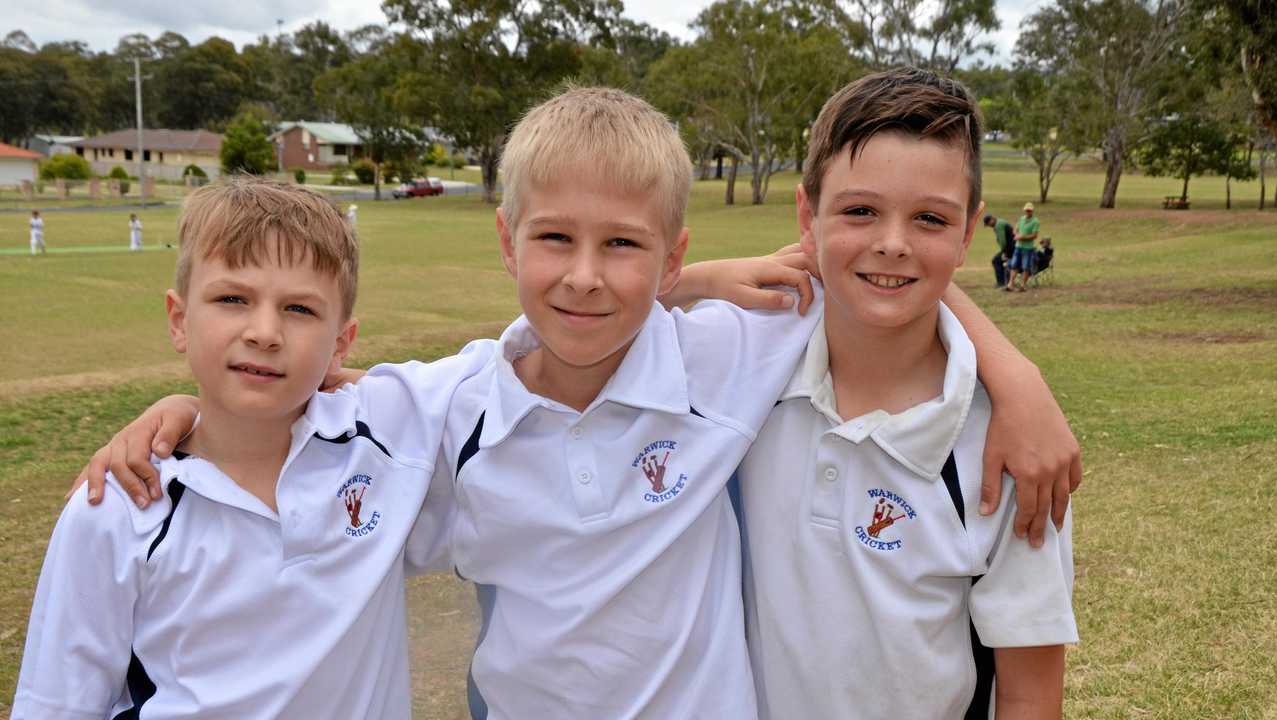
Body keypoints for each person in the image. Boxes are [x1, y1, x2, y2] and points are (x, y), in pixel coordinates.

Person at [80, 87, 1080, 717]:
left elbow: (886, 272)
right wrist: (179, 415)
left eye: (625, 249)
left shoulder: (731, 354)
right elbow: (290, 408)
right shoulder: (443, 405)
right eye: (554, 241)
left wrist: (1015, 379)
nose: (586, 278)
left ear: (670, 253)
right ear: (507, 242)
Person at [13, 178, 496, 718]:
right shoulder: (118, 506)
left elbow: (519, 367)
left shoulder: (384, 441)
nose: (265, 332)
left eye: (300, 310)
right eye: (232, 299)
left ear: (341, 341)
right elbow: (57, 704)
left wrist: (329, 379)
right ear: (179, 320)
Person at [737, 67, 1076, 720]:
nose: (891, 243)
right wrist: (694, 281)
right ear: (807, 215)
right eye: (859, 210)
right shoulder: (743, 368)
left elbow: (1031, 692)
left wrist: (1015, 378)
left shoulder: (1014, 450)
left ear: (970, 228)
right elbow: (608, 298)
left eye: (929, 218)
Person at [1005, 201, 1040, 292]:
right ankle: (1010, 284)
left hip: (1028, 248)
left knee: (1026, 267)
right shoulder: (1021, 219)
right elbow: (1015, 230)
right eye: (1026, 210)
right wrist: (1016, 235)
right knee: (1014, 265)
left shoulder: (1035, 221)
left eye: (1029, 210)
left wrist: (1022, 237)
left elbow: (1035, 235)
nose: (1028, 212)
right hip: (1018, 246)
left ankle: (1023, 286)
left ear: (1032, 211)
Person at [984, 213, 1015, 287]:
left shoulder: (998, 225)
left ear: (992, 219)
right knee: (1001, 261)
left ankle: (1001, 283)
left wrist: (1004, 253)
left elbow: (1003, 241)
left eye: (988, 223)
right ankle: (1006, 281)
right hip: (1012, 247)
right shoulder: (1000, 222)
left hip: (1011, 248)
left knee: (996, 261)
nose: (989, 226)